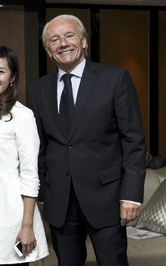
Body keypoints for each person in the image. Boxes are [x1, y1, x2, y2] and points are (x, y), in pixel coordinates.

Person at [28, 14, 146, 266]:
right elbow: (40, 147)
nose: (63, 43)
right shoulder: (38, 90)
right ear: (49, 50)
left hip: (107, 199)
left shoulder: (115, 79)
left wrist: (132, 195)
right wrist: (39, 195)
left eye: (69, 36)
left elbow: (133, 141)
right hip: (59, 202)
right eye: (54, 39)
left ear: (83, 41)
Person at [0, 45, 49, 266]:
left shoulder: (22, 116)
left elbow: (31, 174)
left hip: (9, 205)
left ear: (12, 77)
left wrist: (27, 225)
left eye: (1, 71)